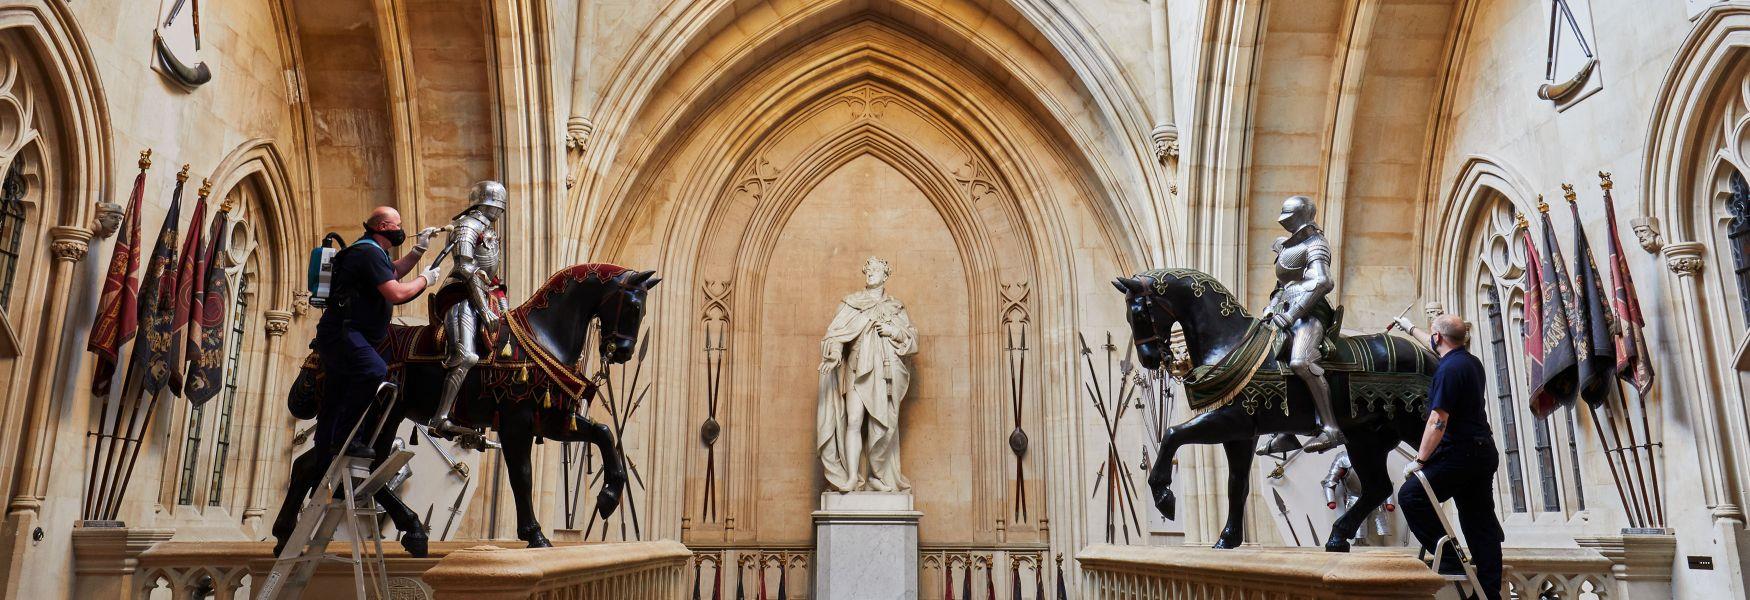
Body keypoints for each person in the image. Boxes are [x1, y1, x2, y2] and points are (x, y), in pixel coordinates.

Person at [313, 206, 440, 459]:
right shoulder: (367, 252)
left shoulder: (372, 251)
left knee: (338, 392)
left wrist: (419, 250)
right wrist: (426, 279)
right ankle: (347, 440)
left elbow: (391, 272)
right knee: (374, 370)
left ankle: (325, 449)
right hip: (343, 333)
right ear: (383, 227)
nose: (401, 229)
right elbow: (397, 292)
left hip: (349, 333)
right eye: (397, 224)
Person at [1395, 313, 1504, 600]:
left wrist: (1420, 460)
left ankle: (1452, 561)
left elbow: (1438, 420)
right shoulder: (1469, 361)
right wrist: (1409, 328)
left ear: (1439, 337)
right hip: (1482, 452)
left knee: (1411, 495)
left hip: (1461, 454)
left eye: (1433, 334)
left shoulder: (1447, 370)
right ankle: (1488, 592)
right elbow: (1437, 345)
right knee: (1478, 520)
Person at [1261, 195, 1343, 453]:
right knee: (1267, 362)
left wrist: (1293, 313)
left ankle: (1331, 428)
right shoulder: (1288, 246)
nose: (1285, 222)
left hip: (1310, 313)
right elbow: (1283, 286)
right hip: (1283, 312)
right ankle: (1286, 430)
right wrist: (1272, 308)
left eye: (1290, 217)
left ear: (1301, 215)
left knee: (1301, 362)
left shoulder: (1315, 243)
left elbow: (1322, 282)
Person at [428, 181, 508, 436]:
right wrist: (484, 310)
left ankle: (472, 413)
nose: (498, 212)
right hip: (461, 294)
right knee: (465, 355)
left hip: (485, 294)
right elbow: (465, 267)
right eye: (496, 206)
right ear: (484, 204)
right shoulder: (467, 226)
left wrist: (505, 312)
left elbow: (493, 278)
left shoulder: (490, 231)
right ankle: (440, 418)